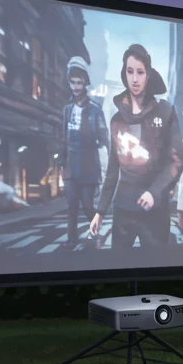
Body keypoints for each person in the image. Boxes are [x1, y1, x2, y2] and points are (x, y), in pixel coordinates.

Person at [89, 44, 182, 248]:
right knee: (119, 269)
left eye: (140, 72)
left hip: (155, 211)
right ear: (124, 73)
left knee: (155, 270)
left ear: (148, 75)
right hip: (124, 210)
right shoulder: (117, 120)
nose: (134, 78)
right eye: (130, 71)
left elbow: (176, 161)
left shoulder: (165, 112)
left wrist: (154, 192)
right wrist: (101, 211)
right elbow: (113, 169)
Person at [57, 57, 108, 248]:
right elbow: (63, 138)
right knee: (71, 205)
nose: (76, 87)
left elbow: (105, 139)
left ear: (85, 83)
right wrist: (61, 163)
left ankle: (96, 229)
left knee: (87, 205)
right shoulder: (67, 110)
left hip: (88, 164)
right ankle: (71, 242)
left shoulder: (95, 110)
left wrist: (106, 166)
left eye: (79, 82)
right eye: (73, 82)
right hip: (71, 164)